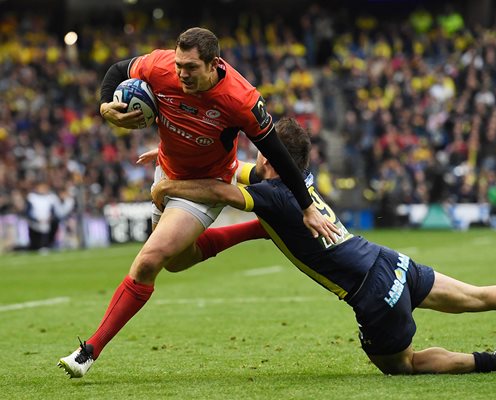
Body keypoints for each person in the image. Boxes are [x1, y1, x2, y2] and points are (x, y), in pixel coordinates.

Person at [149, 118, 496, 375]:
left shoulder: (274, 196)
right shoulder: (299, 182)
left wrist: (168, 183)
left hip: (372, 292)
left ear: (270, 158)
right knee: (477, 295)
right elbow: (235, 170)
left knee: (401, 366)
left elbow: (223, 190)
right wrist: (177, 158)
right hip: (390, 260)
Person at [58, 27, 338, 378]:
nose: (182, 74)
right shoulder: (160, 66)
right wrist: (104, 107)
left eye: (191, 67)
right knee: (176, 262)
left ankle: (88, 352)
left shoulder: (240, 99)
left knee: (149, 262)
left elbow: (278, 155)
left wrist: (307, 206)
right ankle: (257, 230)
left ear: (214, 65)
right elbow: (117, 71)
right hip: (167, 169)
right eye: (179, 65)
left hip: (205, 185)